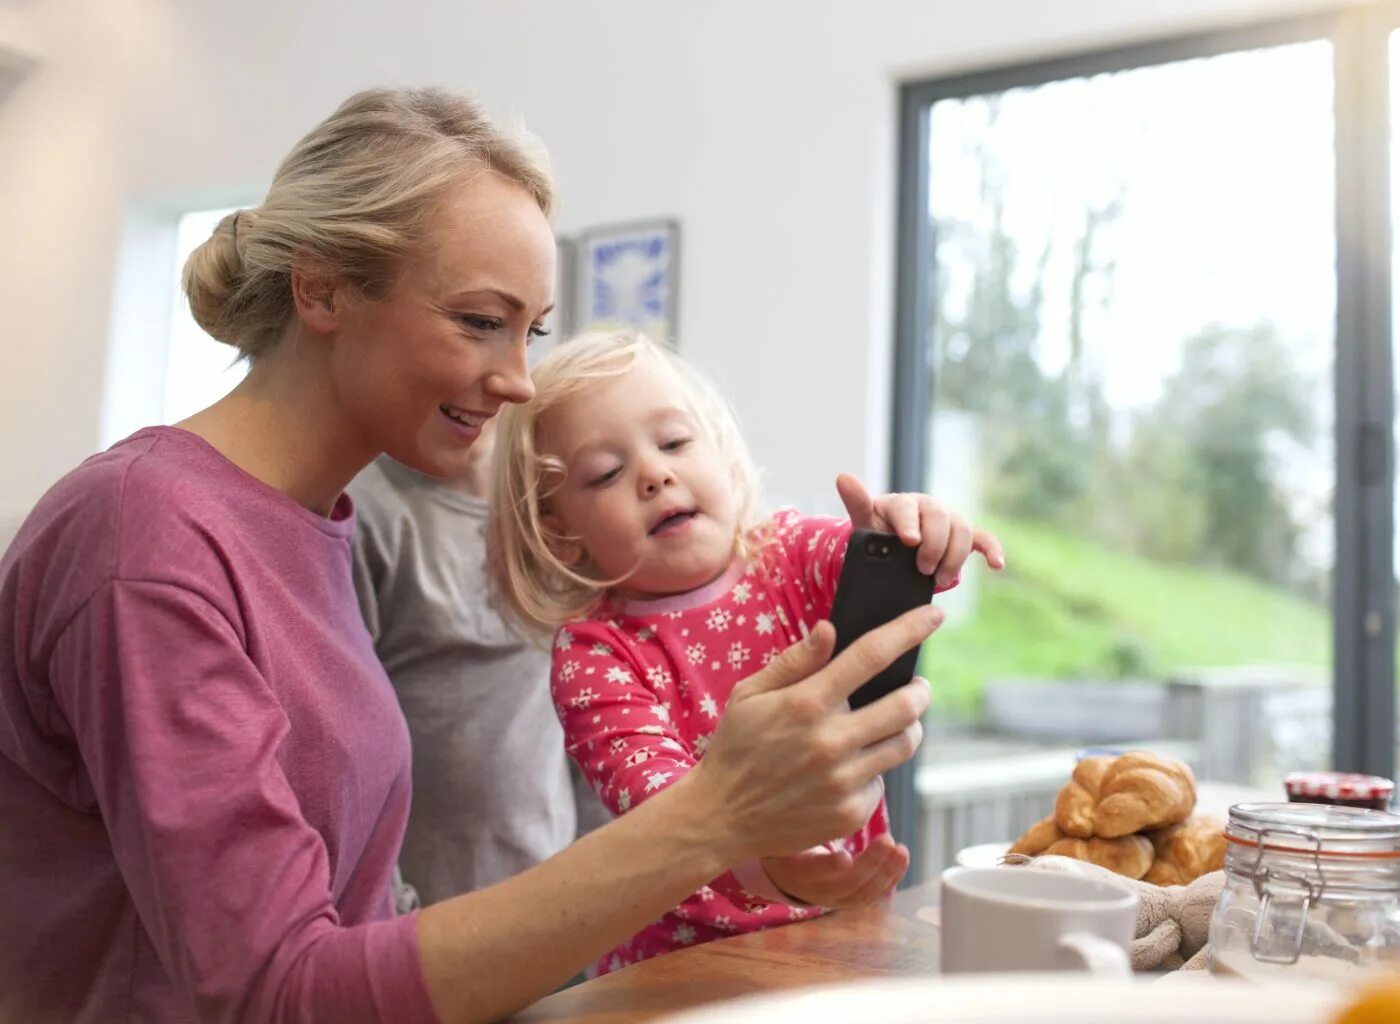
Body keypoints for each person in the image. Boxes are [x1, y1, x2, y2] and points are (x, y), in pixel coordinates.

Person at [0, 87, 938, 1024]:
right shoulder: (144, 539)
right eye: (480, 321)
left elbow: (365, 906)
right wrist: (714, 817)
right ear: (320, 288)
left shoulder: (313, 523)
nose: (519, 380)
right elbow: (271, 994)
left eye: (529, 331)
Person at [485, 329, 1005, 972]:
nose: (656, 473)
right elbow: (663, 808)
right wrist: (771, 869)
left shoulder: (787, 554)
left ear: (722, 457)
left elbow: (873, 567)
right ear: (562, 536)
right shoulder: (596, 654)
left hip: (848, 937)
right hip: (680, 968)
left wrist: (913, 534)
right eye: (607, 473)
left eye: (674, 442)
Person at [350, 419, 606, 912]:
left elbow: (589, 707)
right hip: (425, 916)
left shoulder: (553, 515)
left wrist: (598, 879)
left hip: (559, 901)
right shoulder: (368, 509)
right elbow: (350, 753)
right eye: (472, 335)